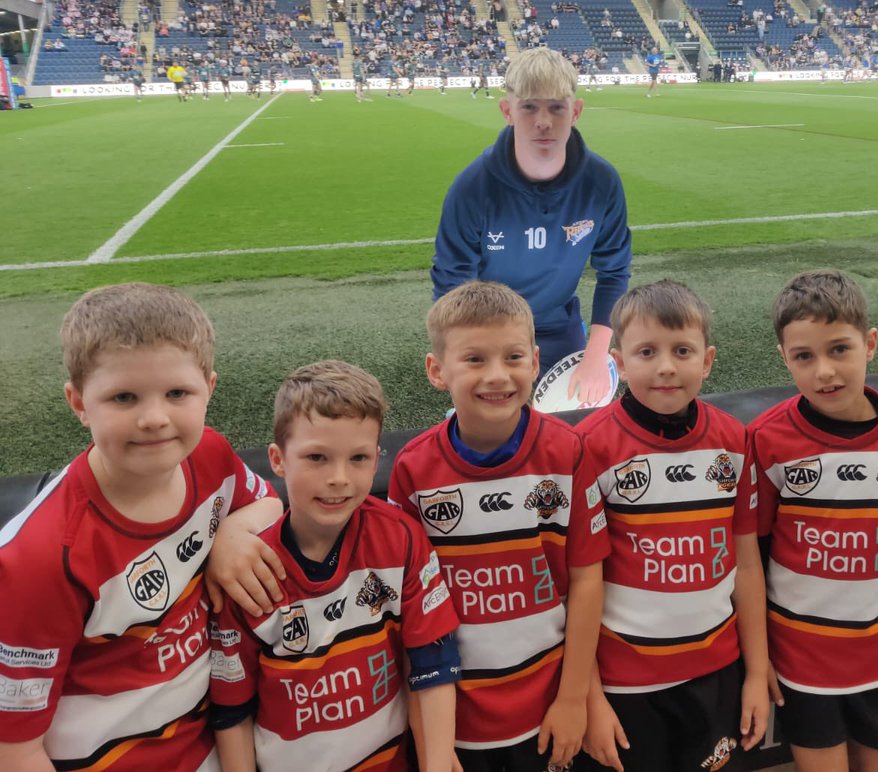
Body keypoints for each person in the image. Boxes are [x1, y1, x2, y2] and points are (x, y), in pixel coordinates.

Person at [0, 282, 285, 770]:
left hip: (210, 743)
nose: (154, 418)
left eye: (177, 393)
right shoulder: (40, 557)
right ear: (78, 403)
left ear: (209, 389)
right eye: (124, 397)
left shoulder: (210, 455)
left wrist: (232, 534)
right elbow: (14, 746)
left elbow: (269, 503)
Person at [389, 281, 610, 771]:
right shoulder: (413, 470)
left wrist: (576, 699)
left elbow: (585, 580)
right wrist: (433, 739)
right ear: (436, 370)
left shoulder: (567, 451)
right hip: (460, 718)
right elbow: (413, 611)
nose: (497, 376)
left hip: (551, 706)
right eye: (474, 360)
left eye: (513, 357)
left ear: (534, 361)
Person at [210, 361, 460, 772]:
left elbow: (433, 663)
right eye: (317, 458)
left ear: (378, 458)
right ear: (277, 459)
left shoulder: (400, 539)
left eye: (358, 458)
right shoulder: (249, 570)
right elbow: (231, 710)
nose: (339, 478)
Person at [750, 270, 878, 772]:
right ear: (784, 359)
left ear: (870, 343)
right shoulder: (767, 441)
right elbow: (755, 554)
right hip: (801, 661)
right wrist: (761, 658)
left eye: (839, 349)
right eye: (804, 357)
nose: (824, 372)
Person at [575, 281, 770, 772]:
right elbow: (575, 586)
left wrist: (756, 671)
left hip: (718, 673)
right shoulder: (588, 447)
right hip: (626, 685)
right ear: (618, 362)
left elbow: (746, 565)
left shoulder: (733, 440)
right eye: (647, 352)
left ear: (707, 360)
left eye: (682, 351)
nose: (666, 366)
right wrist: (589, 698)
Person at [431, 47, 632, 405]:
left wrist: (597, 355)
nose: (544, 121)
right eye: (529, 107)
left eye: (557, 107)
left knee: (576, 438)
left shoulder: (602, 182)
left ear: (576, 111)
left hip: (558, 326)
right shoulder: (472, 188)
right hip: (488, 330)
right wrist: (470, 354)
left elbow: (614, 272)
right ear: (507, 111)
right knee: (495, 440)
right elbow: (451, 285)